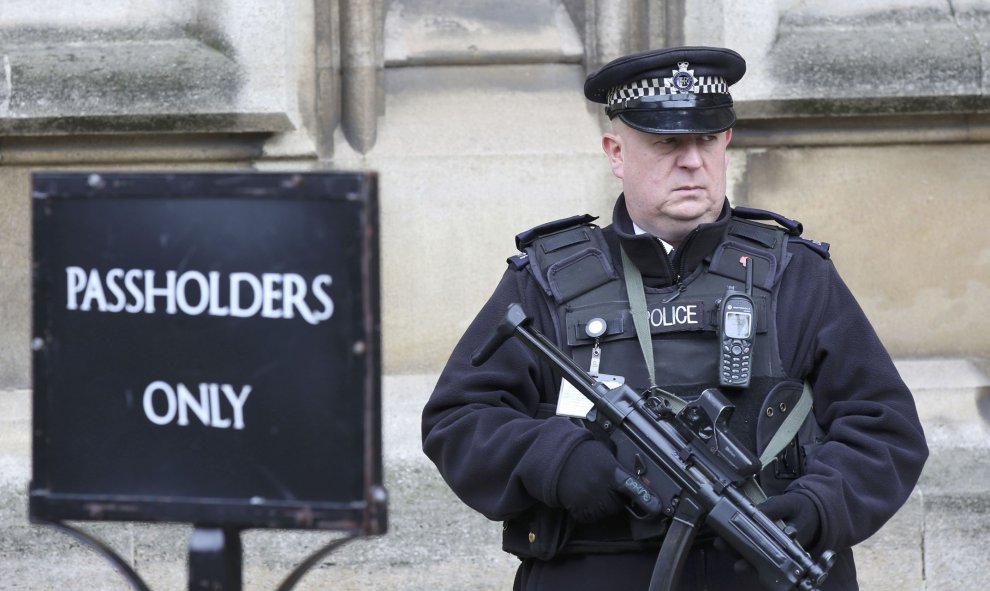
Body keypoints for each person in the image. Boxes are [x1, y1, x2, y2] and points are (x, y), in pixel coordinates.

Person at [421, 46, 929, 590]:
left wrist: (818, 505)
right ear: (616, 153)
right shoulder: (545, 279)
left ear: (726, 141)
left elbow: (884, 426)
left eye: (706, 139)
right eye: (666, 142)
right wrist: (554, 459)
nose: (692, 161)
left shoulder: (794, 274)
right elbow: (459, 419)